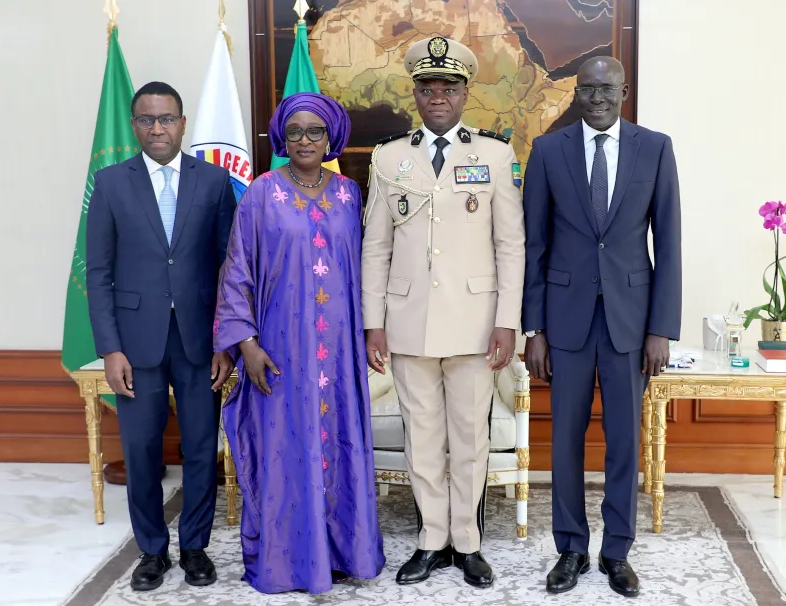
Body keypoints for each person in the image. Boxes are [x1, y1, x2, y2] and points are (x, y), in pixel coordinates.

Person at [361, 36, 525, 588]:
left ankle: (469, 544)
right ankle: (432, 539)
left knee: (470, 438)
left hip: (477, 324)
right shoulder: (389, 157)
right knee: (422, 438)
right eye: (427, 87)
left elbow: (510, 246)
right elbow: (375, 247)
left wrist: (508, 320)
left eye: (448, 87)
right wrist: (372, 323)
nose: (437, 96)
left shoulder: (495, 155)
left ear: (464, 93)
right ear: (415, 93)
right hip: (407, 322)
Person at [213, 92, 386, 595]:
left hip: (340, 352)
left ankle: (339, 553)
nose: (305, 140)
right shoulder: (262, 193)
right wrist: (244, 342)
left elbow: (369, 271)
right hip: (281, 352)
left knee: (338, 446)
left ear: (332, 136)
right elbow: (237, 270)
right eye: (294, 132)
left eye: (315, 131)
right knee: (285, 450)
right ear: (282, 138)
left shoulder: (351, 194)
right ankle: (289, 562)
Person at [522, 56, 682, 598]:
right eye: (587, 89)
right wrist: (533, 328)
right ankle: (570, 548)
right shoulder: (548, 151)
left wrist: (661, 328)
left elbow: (670, 243)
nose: (597, 98)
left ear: (624, 91)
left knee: (622, 444)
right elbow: (535, 246)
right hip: (564, 324)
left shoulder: (655, 148)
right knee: (564, 439)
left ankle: (617, 552)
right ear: (576, 92)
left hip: (631, 325)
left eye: (607, 89)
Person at [86, 81, 236, 591]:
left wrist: (226, 342)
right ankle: (152, 551)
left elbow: (228, 268)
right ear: (134, 125)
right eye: (147, 120)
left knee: (199, 448)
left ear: (183, 123)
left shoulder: (214, 182)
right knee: (143, 449)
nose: (157, 129)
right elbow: (98, 272)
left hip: (199, 341)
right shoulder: (110, 184)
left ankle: (195, 548)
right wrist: (109, 347)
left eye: (166, 119)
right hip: (135, 343)